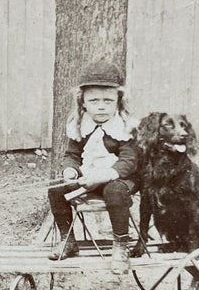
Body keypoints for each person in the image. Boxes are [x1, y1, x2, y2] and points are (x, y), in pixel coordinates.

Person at [48, 59, 139, 274]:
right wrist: (70, 170)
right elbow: (72, 154)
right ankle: (68, 240)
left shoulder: (125, 127)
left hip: (120, 179)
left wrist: (104, 176)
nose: (101, 106)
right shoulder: (80, 125)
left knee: (115, 190)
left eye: (108, 100)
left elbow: (129, 161)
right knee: (56, 188)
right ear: (83, 103)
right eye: (94, 100)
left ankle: (120, 246)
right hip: (88, 177)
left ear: (118, 101)